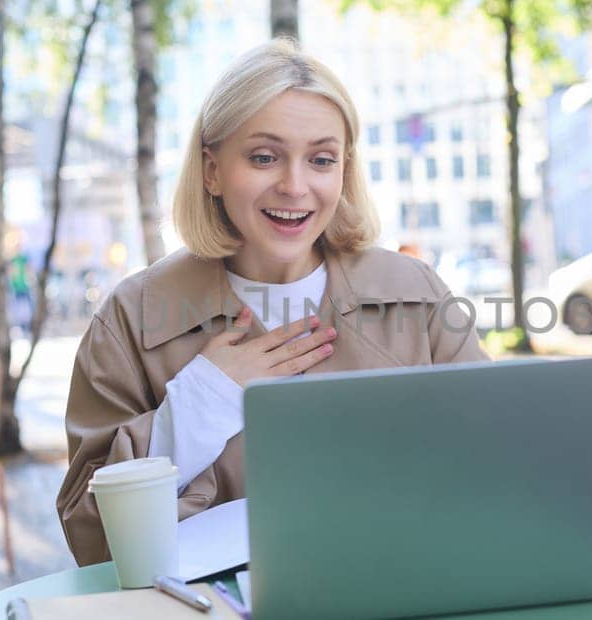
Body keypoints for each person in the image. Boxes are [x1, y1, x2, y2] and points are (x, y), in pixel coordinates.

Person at [56, 38, 489, 565]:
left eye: (322, 159)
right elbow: (89, 533)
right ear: (212, 170)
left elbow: (497, 464)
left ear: (344, 170)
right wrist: (200, 402)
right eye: (264, 157)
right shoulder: (132, 315)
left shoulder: (417, 294)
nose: (295, 185)